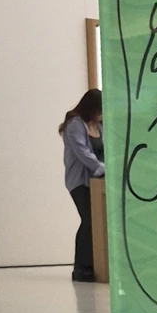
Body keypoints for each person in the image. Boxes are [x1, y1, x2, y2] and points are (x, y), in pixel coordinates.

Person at [61, 89, 104, 282]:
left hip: (97, 181)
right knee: (88, 220)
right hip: (79, 181)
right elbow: (83, 152)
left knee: (97, 221)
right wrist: (102, 169)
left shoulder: (98, 125)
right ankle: (81, 267)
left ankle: (97, 264)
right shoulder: (74, 125)